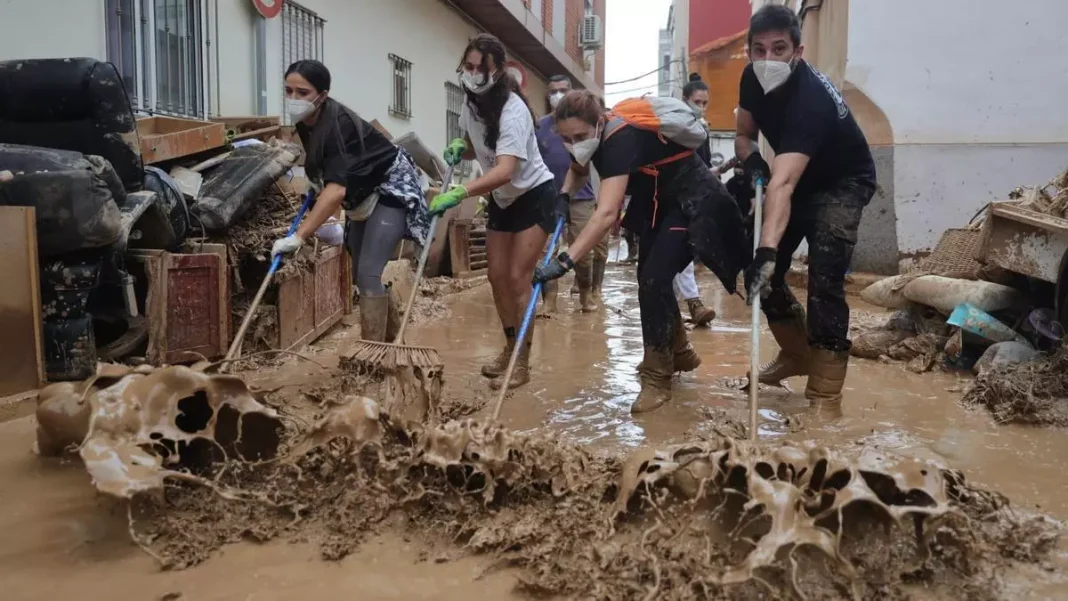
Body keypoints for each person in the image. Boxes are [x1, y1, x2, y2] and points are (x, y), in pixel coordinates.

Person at [532, 90, 748, 414]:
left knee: (654, 279)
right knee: (647, 278)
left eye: (579, 135)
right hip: (658, 205)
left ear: (600, 123)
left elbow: (605, 213)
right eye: (566, 138)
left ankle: (658, 376)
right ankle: (679, 350)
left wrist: (565, 261)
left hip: (692, 201)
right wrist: (563, 194)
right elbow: (578, 170)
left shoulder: (619, 138)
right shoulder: (590, 140)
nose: (574, 143)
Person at [735, 5, 876, 404]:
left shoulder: (809, 100)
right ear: (748, 52)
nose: (767, 60)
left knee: (824, 278)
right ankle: (797, 354)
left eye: (778, 49)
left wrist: (766, 249)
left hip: (842, 180)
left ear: (797, 51)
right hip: (793, 174)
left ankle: (824, 393)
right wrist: (752, 160)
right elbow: (744, 135)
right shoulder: (750, 79)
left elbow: (783, 184)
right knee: (766, 275)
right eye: (758, 49)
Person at [431, 33, 561, 390]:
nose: (473, 74)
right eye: (468, 66)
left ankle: (522, 359)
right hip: (502, 199)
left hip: (533, 195)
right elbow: (479, 148)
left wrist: (460, 192)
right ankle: (509, 345)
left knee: (519, 279)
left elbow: (504, 169)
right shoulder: (470, 104)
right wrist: (463, 148)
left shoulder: (514, 110)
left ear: (499, 70)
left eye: (481, 68)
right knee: (496, 277)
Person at [272, 60, 431, 344]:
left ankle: (374, 353)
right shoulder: (306, 122)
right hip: (362, 191)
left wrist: (298, 236)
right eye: (289, 91)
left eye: (303, 92)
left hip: (390, 187)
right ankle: (393, 343)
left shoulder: (339, 126)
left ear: (322, 94)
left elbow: (335, 193)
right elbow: (328, 168)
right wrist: (316, 178)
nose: (294, 99)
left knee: (369, 272)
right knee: (360, 273)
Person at [536, 74, 606, 313]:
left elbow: (583, 168)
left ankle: (586, 296)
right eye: (553, 91)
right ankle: (550, 302)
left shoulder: (590, 128)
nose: (558, 95)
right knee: (546, 254)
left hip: (583, 198)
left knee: (583, 253)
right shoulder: (540, 127)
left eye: (563, 90)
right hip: (548, 198)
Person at [670, 74, 718, 327]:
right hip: (672, 198)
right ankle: (693, 302)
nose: (700, 107)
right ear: (684, 100)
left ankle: (675, 313)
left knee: (683, 251)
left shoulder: (703, 131)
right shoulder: (673, 128)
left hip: (694, 198)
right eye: (696, 102)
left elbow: (705, 166)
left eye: (704, 103)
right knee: (678, 250)